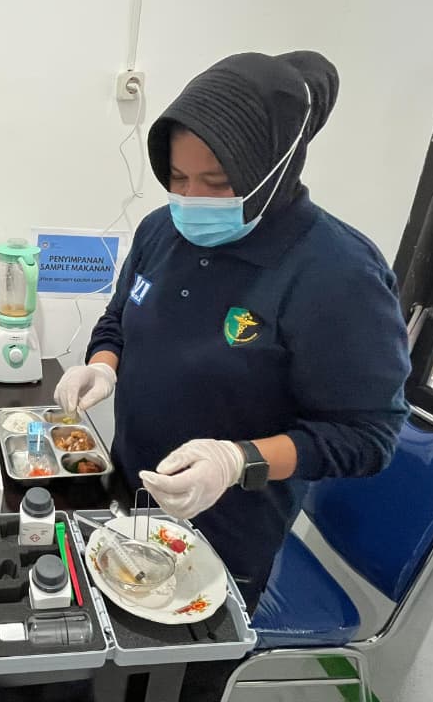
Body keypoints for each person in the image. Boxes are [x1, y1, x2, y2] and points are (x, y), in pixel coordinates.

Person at [55, 50, 410, 693]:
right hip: (129, 494)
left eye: (217, 183)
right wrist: (102, 366)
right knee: (115, 667)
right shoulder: (161, 230)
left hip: (229, 532)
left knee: (181, 681)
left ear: (275, 169)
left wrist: (234, 460)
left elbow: (368, 436)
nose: (192, 200)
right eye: (178, 177)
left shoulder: (337, 275)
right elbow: (118, 319)